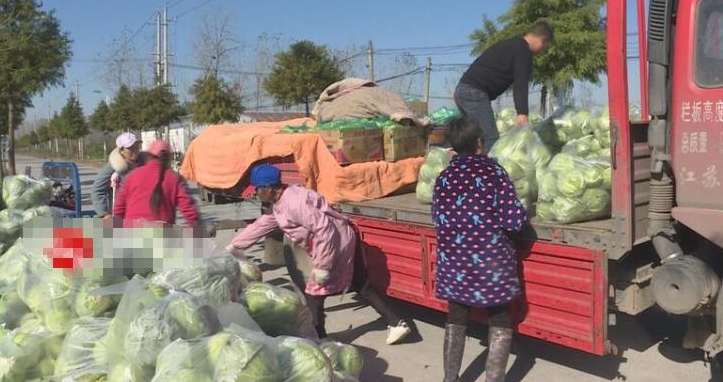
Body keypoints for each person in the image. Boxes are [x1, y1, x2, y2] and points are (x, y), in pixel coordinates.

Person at [227, 165, 412, 344]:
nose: (254, 194)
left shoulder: (294, 203)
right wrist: (234, 246)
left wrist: (322, 266)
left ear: (268, 188)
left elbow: (325, 230)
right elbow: (262, 225)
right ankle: (397, 323)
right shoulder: (280, 203)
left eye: (257, 190)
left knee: (314, 294)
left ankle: (319, 340)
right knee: (361, 284)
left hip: (336, 242)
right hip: (337, 240)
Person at [432, 116, 527, 382]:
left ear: (453, 146)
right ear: (479, 143)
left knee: (456, 315)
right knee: (499, 318)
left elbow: (438, 219)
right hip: (491, 262)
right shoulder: (494, 173)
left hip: (455, 262)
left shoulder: (444, 177)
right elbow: (513, 220)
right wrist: (523, 210)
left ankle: (450, 378)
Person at [455, 21, 554, 153]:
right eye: (546, 47)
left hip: (463, 91)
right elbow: (520, 82)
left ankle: (466, 170)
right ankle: (492, 172)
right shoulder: (523, 50)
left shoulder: (511, 44)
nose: (543, 51)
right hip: (474, 93)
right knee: (491, 139)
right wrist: (522, 113)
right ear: (544, 40)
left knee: (472, 140)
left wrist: (460, 93)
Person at [113, 140, 198, 227]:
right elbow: (189, 210)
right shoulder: (175, 179)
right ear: (168, 157)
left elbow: (119, 208)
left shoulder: (132, 176)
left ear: (148, 156)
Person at [91, 132, 142, 218]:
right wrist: (104, 214)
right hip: (121, 215)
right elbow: (97, 190)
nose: (135, 150)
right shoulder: (114, 165)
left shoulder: (143, 163)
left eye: (136, 147)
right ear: (121, 150)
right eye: (131, 148)